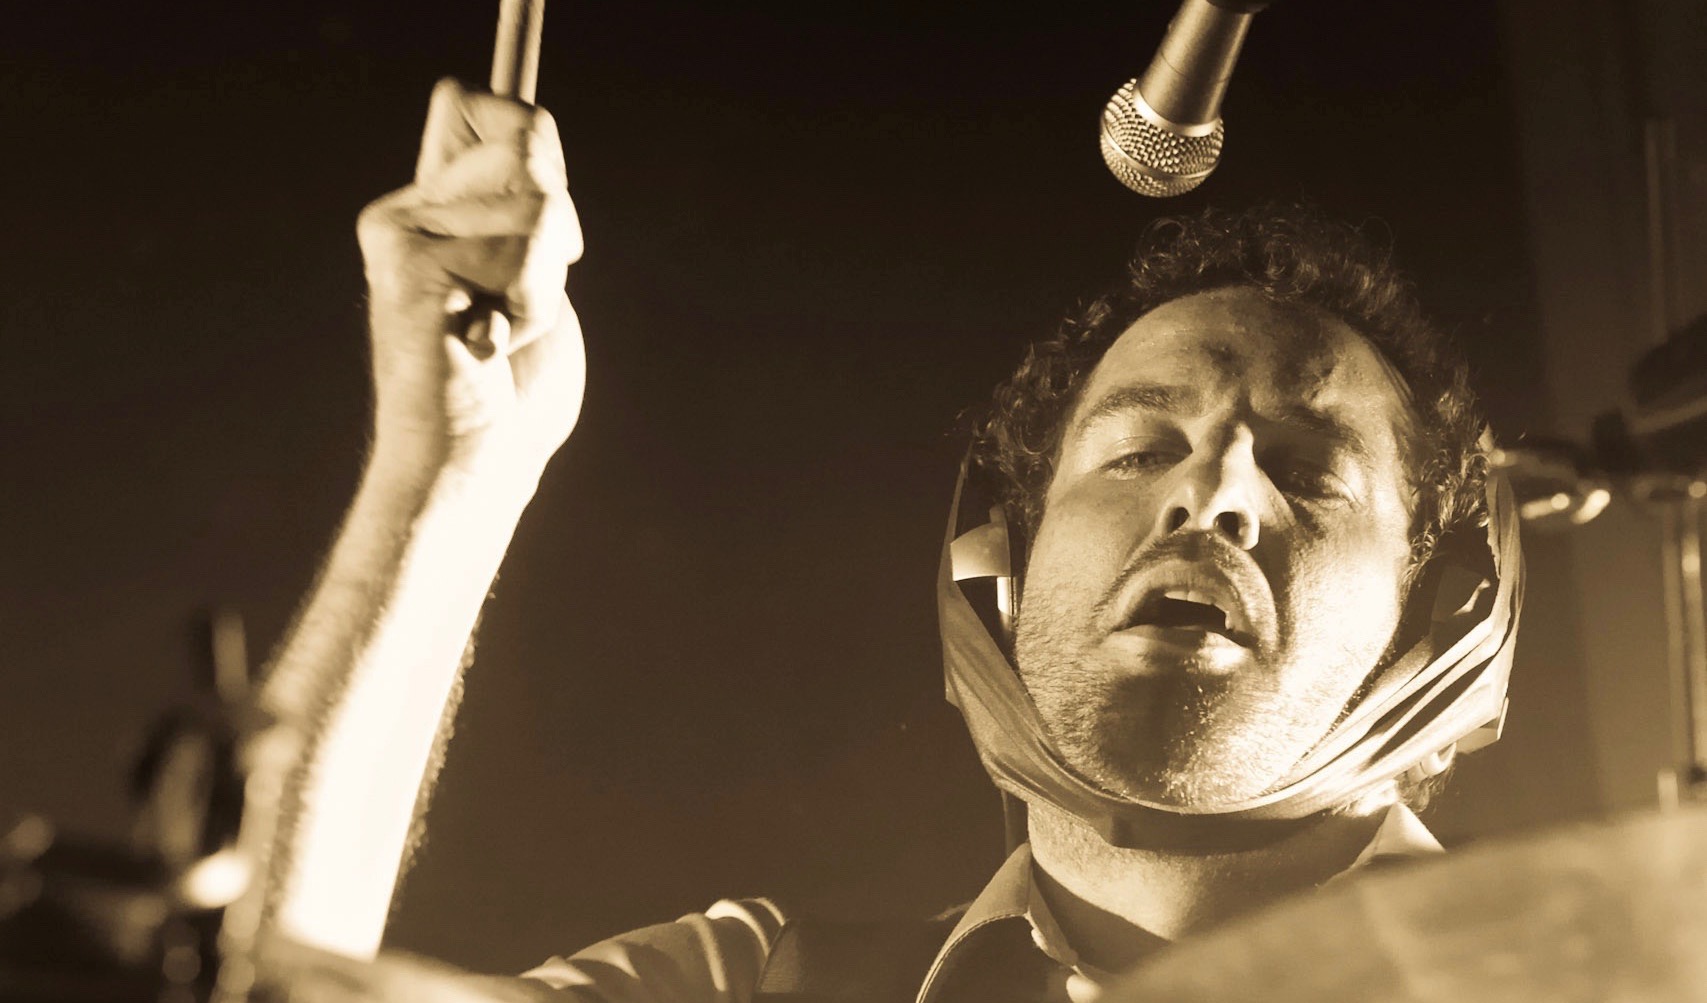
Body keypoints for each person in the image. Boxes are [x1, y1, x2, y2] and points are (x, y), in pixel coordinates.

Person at [253, 78, 1518, 1002]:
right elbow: (251, 986)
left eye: (1305, 471)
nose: (1216, 494)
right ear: (1003, 564)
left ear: (1442, 608)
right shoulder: (752, 983)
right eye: (1138, 450)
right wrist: (450, 473)